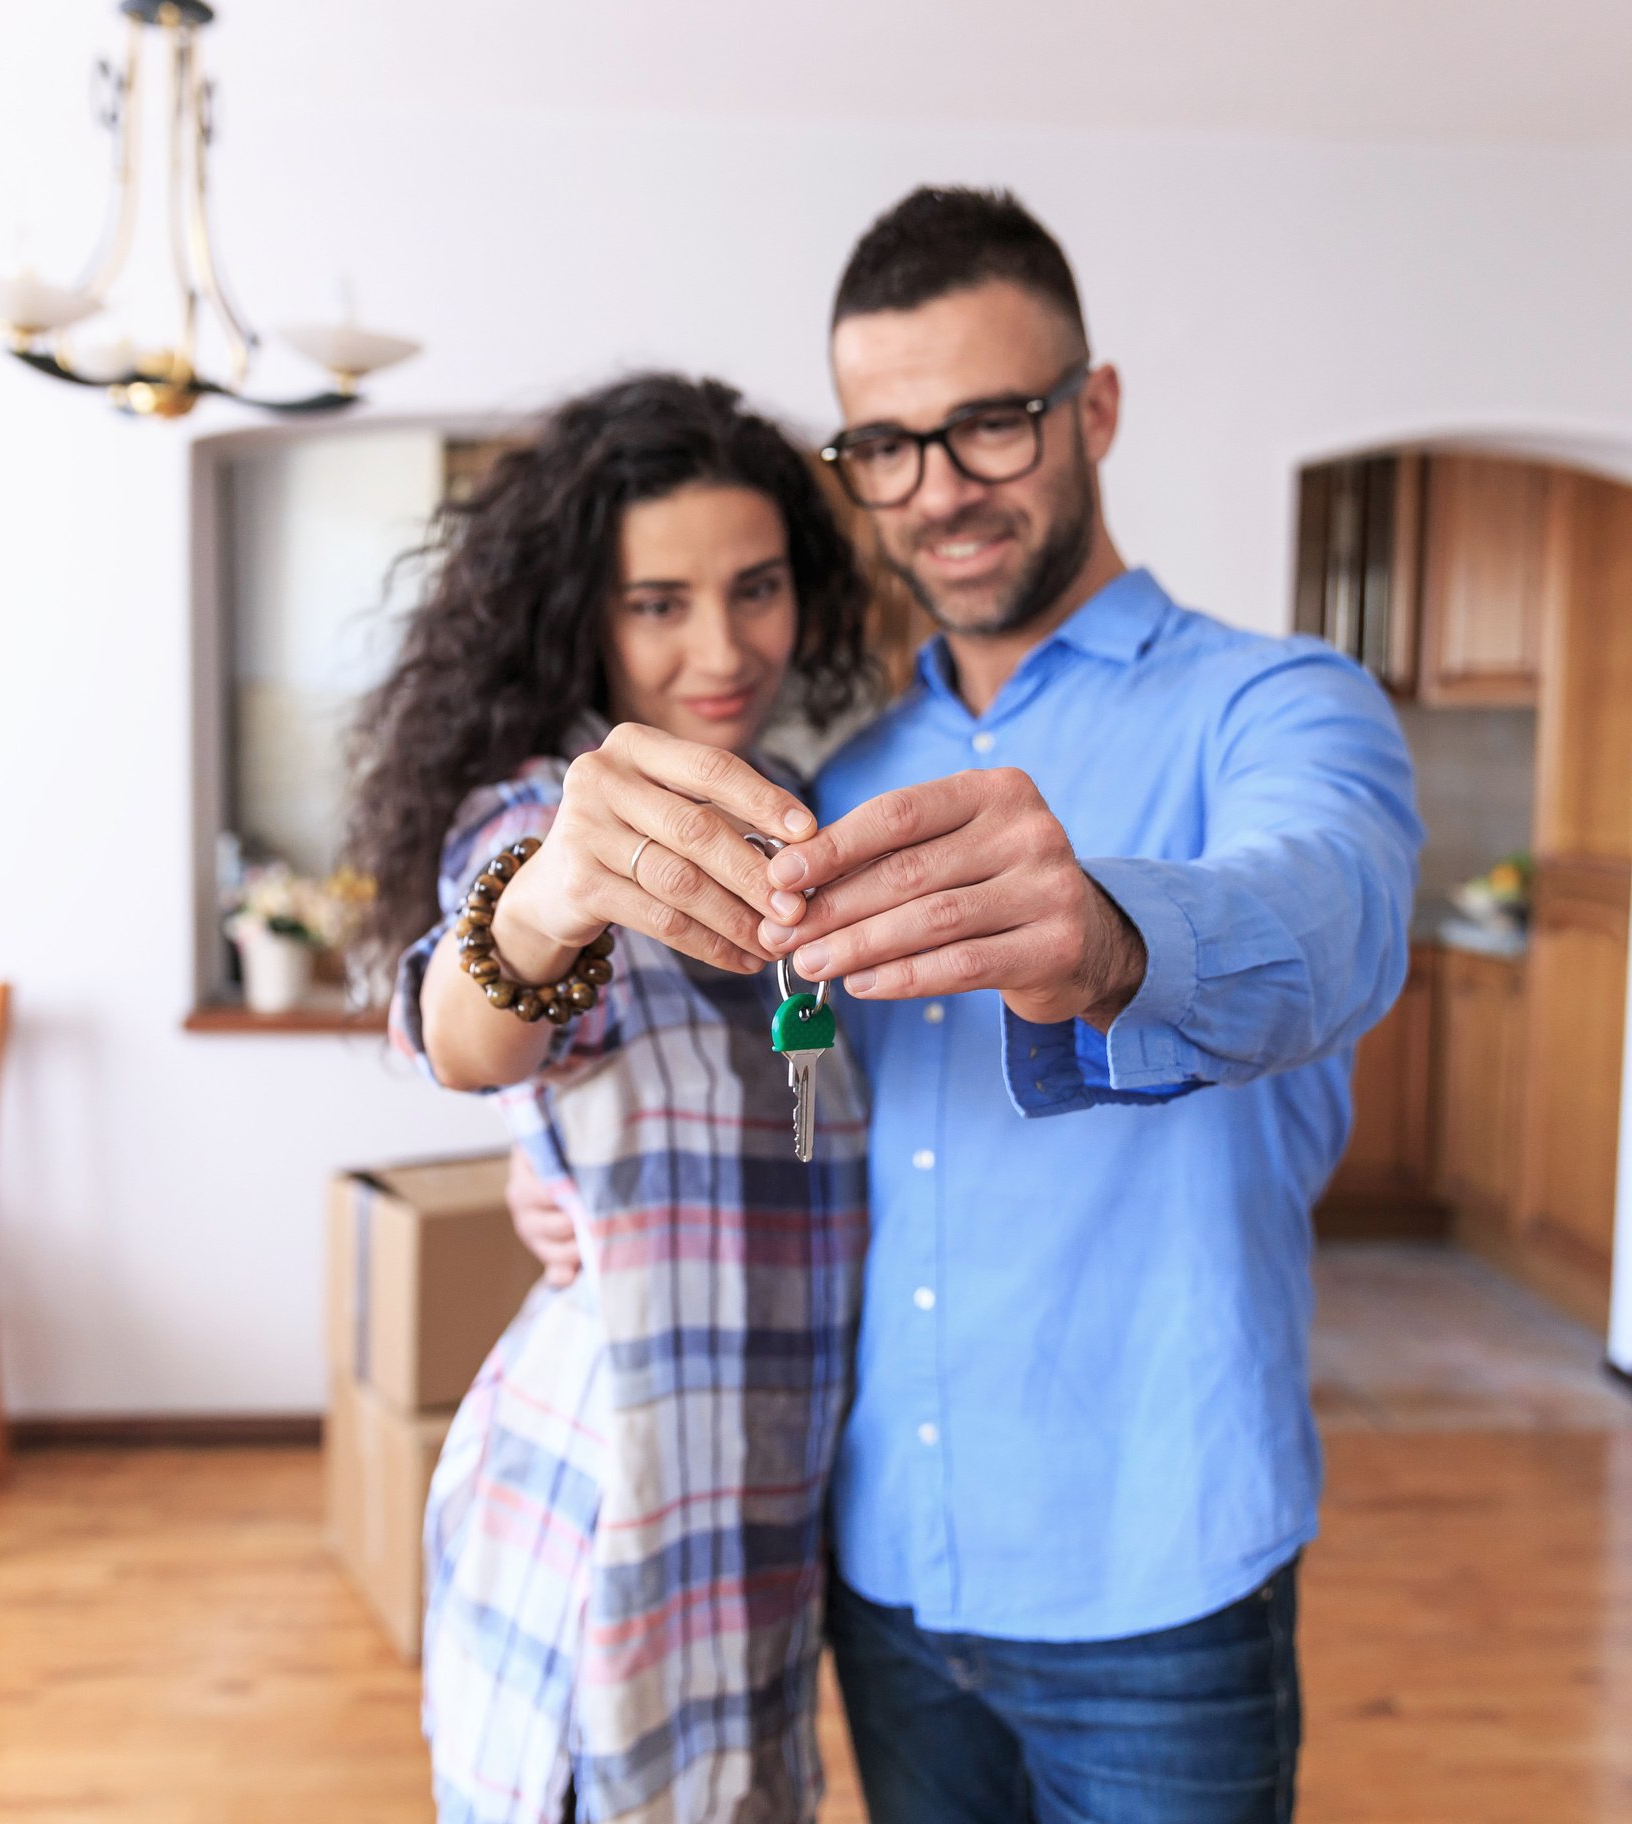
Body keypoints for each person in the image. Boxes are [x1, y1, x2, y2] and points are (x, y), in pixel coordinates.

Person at [504, 189, 1422, 1819]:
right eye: (888, 446)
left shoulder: (1278, 705)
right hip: (887, 1577)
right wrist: (569, 1158)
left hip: (1161, 1574)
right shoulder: (842, 778)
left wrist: (1116, 936)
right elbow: (775, 1086)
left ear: (1097, 409)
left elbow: (1335, 915)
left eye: (991, 426)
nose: (942, 492)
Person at [347, 374, 881, 1824]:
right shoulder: (557, 819)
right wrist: (553, 903)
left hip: (760, 1538)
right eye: (659, 603)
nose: (722, 647)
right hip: (604, 1520)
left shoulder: (799, 815)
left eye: (757, 588)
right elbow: (460, 1027)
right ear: (582, 611)